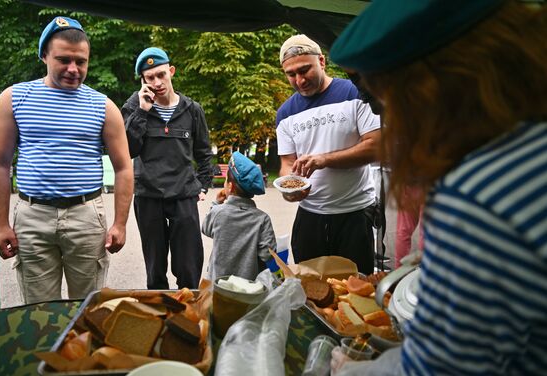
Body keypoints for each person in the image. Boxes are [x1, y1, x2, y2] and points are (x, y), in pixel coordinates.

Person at [330, 0, 547, 374]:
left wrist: (352, 369)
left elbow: (436, 369)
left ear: (429, 89)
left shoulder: (478, 198)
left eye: (386, 98)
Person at [0, 16, 133, 304]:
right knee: (39, 311)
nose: (74, 69)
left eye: (80, 61)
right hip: (33, 218)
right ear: (44, 55)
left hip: (85, 216)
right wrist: (0, 225)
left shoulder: (103, 106)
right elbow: (0, 164)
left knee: (87, 308)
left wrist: (120, 224)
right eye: (63, 60)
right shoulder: (13, 99)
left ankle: (82, 350)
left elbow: (123, 168)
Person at [275, 34, 381, 275]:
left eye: (305, 70)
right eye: (291, 74)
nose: (299, 80)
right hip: (310, 216)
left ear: (321, 61)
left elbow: (375, 145)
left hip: (354, 213)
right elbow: (287, 164)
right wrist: (288, 189)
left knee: (356, 287)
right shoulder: (285, 113)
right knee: (309, 288)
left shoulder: (355, 93)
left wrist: (324, 159)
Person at [122, 47, 213, 290]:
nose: (157, 82)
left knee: (189, 265)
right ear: (143, 81)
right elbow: (128, 150)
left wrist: (203, 185)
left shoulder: (192, 109)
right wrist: (142, 111)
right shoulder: (134, 106)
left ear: (171, 71)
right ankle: (160, 316)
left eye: (161, 74)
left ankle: (191, 312)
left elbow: (204, 152)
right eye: (149, 78)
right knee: (155, 267)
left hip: (183, 195)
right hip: (148, 196)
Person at [201, 151, 276, 282]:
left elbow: (205, 228)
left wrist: (216, 203)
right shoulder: (262, 219)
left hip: (218, 287)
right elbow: (267, 255)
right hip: (248, 289)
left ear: (230, 186)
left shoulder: (218, 212)